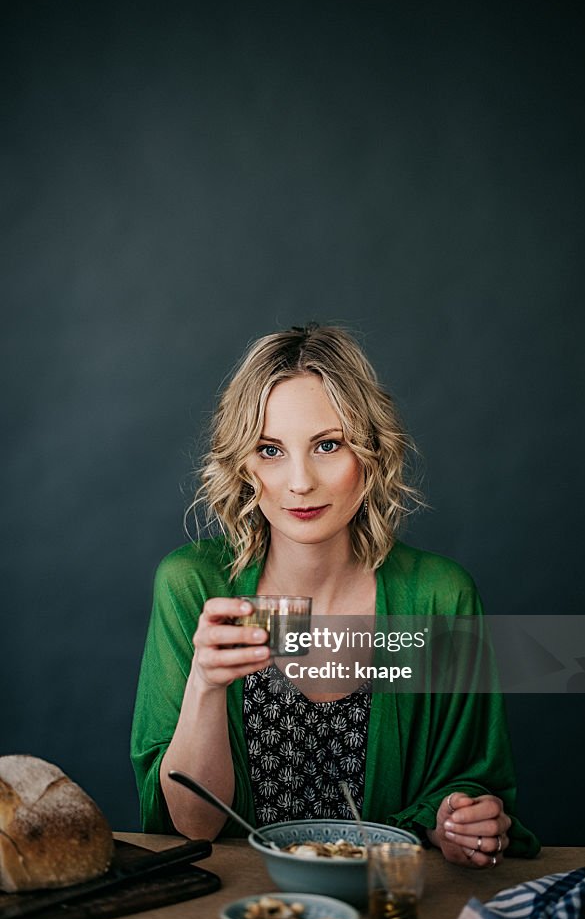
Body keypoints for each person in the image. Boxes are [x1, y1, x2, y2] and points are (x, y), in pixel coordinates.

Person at [131, 324, 540, 868]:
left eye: (328, 445)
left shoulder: (440, 597)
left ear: (370, 454)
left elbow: (468, 783)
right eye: (270, 450)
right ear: (243, 465)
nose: (300, 481)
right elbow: (192, 825)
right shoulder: (194, 585)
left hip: (388, 911)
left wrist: (458, 822)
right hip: (231, 913)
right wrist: (206, 686)